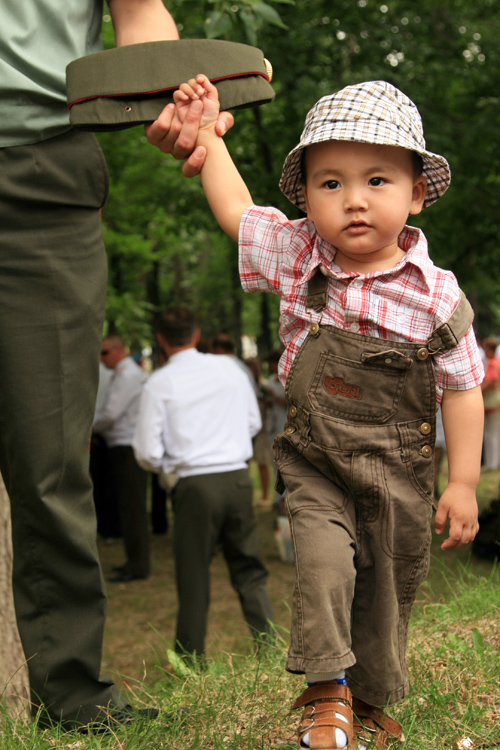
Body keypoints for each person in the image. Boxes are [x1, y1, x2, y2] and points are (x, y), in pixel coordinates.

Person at [166, 77, 484, 747]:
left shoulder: (437, 297)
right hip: (315, 457)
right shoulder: (299, 254)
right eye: (331, 184)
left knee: (388, 582)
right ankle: (324, 690)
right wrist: (207, 137)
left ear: (416, 191)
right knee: (322, 562)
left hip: (399, 467)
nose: (355, 200)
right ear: (306, 195)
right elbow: (235, 210)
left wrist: (461, 482)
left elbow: (462, 388)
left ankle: (370, 698)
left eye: (377, 180)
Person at [0, 0, 232, 730]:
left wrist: (176, 98)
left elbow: (139, 14)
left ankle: (71, 696)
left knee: (49, 460)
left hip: (42, 173)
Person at [133, 307, 274, 658]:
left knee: (193, 575)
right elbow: (254, 422)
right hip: (237, 478)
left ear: (162, 340)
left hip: (194, 484)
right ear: (196, 336)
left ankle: (190, 661)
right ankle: (270, 648)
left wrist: (171, 466)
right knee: (249, 568)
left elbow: (147, 452)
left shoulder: (159, 382)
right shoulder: (229, 369)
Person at [94, 335, 149, 581]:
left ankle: (137, 565)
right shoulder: (124, 373)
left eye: (104, 352)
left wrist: (87, 428)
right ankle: (133, 560)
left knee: (132, 507)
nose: (101, 358)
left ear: (118, 351)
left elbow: (110, 415)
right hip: (121, 444)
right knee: (128, 506)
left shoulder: (127, 375)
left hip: (126, 446)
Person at [480, 337, 500, 470]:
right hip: (495, 401)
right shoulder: (496, 362)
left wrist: (480, 391)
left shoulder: (493, 363)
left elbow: (492, 381)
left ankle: (492, 463)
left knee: (491, 434)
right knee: (493, 433)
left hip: (493, 401)